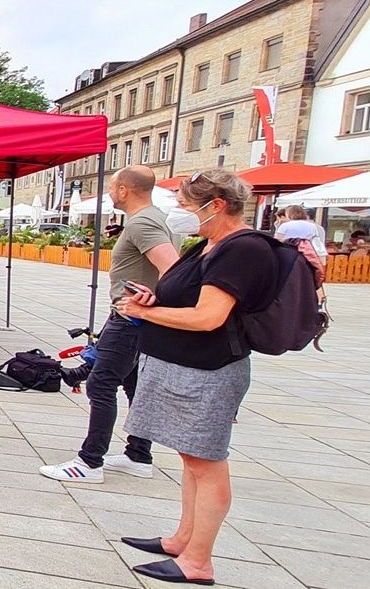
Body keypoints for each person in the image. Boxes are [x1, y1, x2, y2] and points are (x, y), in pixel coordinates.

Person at [115, 169, 275, 586]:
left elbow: (209, 317)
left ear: (216, 205)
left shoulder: (242, 250)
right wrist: (152, 298)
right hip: (183, 365)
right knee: (191, 458)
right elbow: (184, 294)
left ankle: (198, 562)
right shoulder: (208, 245)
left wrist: (144, 312)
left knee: (206, 462)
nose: (183, 214)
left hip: (210, 369)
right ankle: (182, 539)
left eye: (187, 206)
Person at [41, 165, 178, 484]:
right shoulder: (153, 218)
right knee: (132, 383)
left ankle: (90, 462)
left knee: (101, 383)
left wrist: (151, 302)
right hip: (135, 317)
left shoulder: (144, 222)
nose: (110, 194)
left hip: (131, 318)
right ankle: (138, 455)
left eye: (112, 188)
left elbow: (172, 267)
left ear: (124, 190)